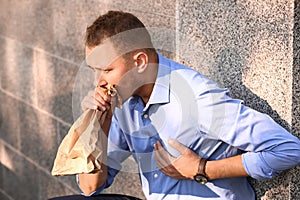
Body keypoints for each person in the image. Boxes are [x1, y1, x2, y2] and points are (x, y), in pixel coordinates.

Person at [52, 10, 300, 200]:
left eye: (107, 69)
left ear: (139, 62)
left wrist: (202, 169)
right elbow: (90, 187)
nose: (99, 81)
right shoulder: (122, 102)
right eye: (95, 71)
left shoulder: (199, 98)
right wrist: (98, 128)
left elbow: (289, 150)